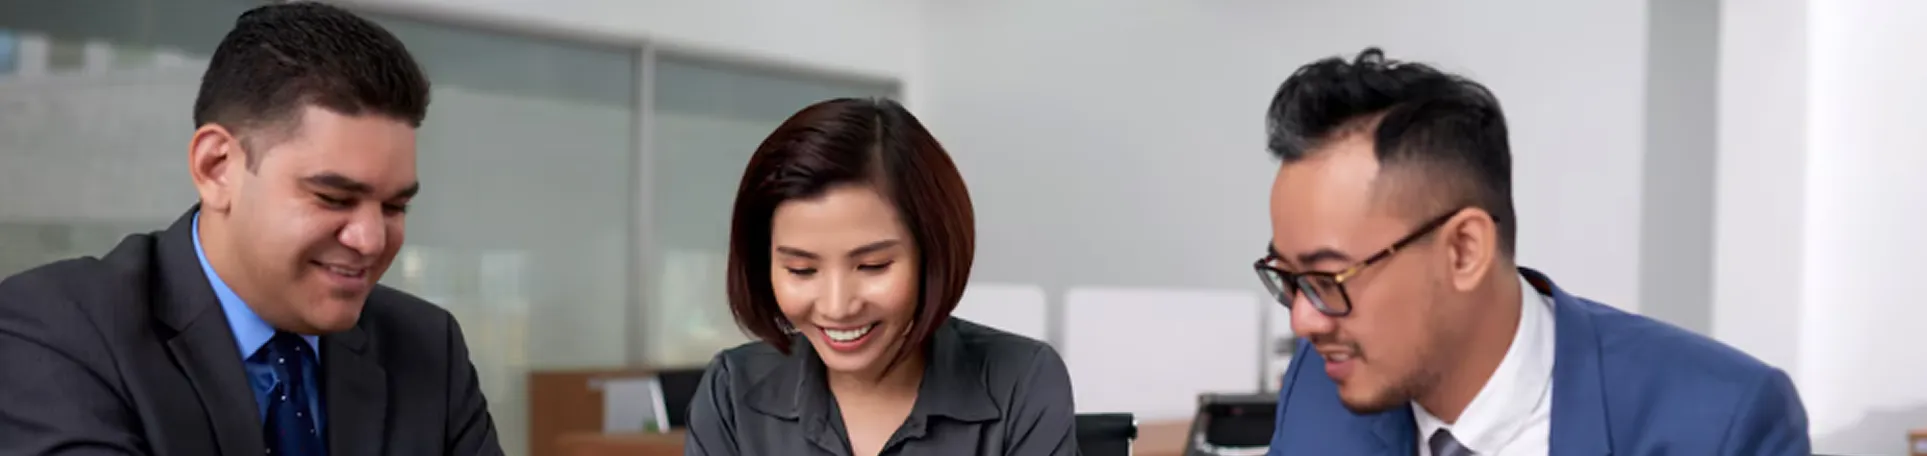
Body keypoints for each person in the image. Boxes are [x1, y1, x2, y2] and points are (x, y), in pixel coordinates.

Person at [0, 3, 502, 455]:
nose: (370, 239)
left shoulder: (426, 347)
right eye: (333, 198)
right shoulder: (56, 330)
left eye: (394, 207)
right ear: (217, 168)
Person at [1257, 48, 1808, 455]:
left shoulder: (1720, 421)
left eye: (1329, 278)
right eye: (1287, 278)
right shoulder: (1320, 387)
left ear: (1464, 250)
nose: (1303, 321)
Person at [683, 98, 1079, 456]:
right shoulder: (732, 392)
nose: (837, 306)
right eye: (801, 270)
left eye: (872, 266)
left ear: (932, 252)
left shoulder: (1021, 381)